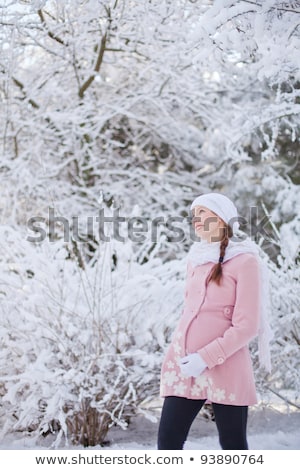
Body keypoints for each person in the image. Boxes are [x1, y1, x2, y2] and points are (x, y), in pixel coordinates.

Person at [157, 192, 272, 450]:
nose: (196, 220)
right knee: (167, 443)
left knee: (232, 446)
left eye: (203, 214)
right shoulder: (196, 260)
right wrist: (182, 355)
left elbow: (247, 325)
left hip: (226, 368)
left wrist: (204, 358)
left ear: (221, 219)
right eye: (194, 215)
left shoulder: (245, 261)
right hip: (186, 368)